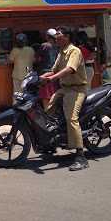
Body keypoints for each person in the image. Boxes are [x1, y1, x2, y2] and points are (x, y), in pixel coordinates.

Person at [40, 27, 89, 171]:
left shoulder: (74, 51)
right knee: (47, 111)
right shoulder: (61, 52)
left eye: (58, 34)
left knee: (71, 118)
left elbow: (70, 69)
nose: (56, 36)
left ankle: (81, 156)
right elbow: (53, 70)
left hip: (76, 89)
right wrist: (40, 77)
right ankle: (52, 143)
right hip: (64, 89)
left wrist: (52, 78)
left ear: (66, 37)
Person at [36, 29, 59, 109]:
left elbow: (38, 59)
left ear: (47, 37)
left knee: (46, 97)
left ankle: (48, 116)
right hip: (55, 74)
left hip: (45, 75)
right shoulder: (58, 46)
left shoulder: (44, 45)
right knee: (54, 96)